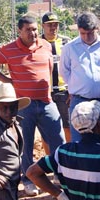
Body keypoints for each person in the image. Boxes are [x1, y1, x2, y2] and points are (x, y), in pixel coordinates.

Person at [0, 16, 65, 197]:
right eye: (28, 30)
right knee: (25, 145)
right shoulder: (9, 49)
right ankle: (28, 180)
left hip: (46, 102)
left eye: (34, 29)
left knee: (58, 140)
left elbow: (49, 69)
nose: (33, 33)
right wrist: (6, 80)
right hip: (22, 106)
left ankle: (60, 175)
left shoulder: (46, 46)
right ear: (19, 31)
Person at [60, 12, 100, 142]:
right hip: (79, 100)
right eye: (83, 33)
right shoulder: (69, 48)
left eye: (90, 33)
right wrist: (77, 86)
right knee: (78, 140)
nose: (86, 37)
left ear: (97, 28)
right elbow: (64, 71)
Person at [41, 12, 72, 143]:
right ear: (43, 26)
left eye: (55, 25)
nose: (53, 27)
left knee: (67, 125)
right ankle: (48, 159)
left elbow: (73, 66)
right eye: (49, 25)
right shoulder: (38, 42)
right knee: (46, 128)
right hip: (44, 93)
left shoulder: (66, 42)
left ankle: (70, 154)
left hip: (63, 92)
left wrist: (72, 89)